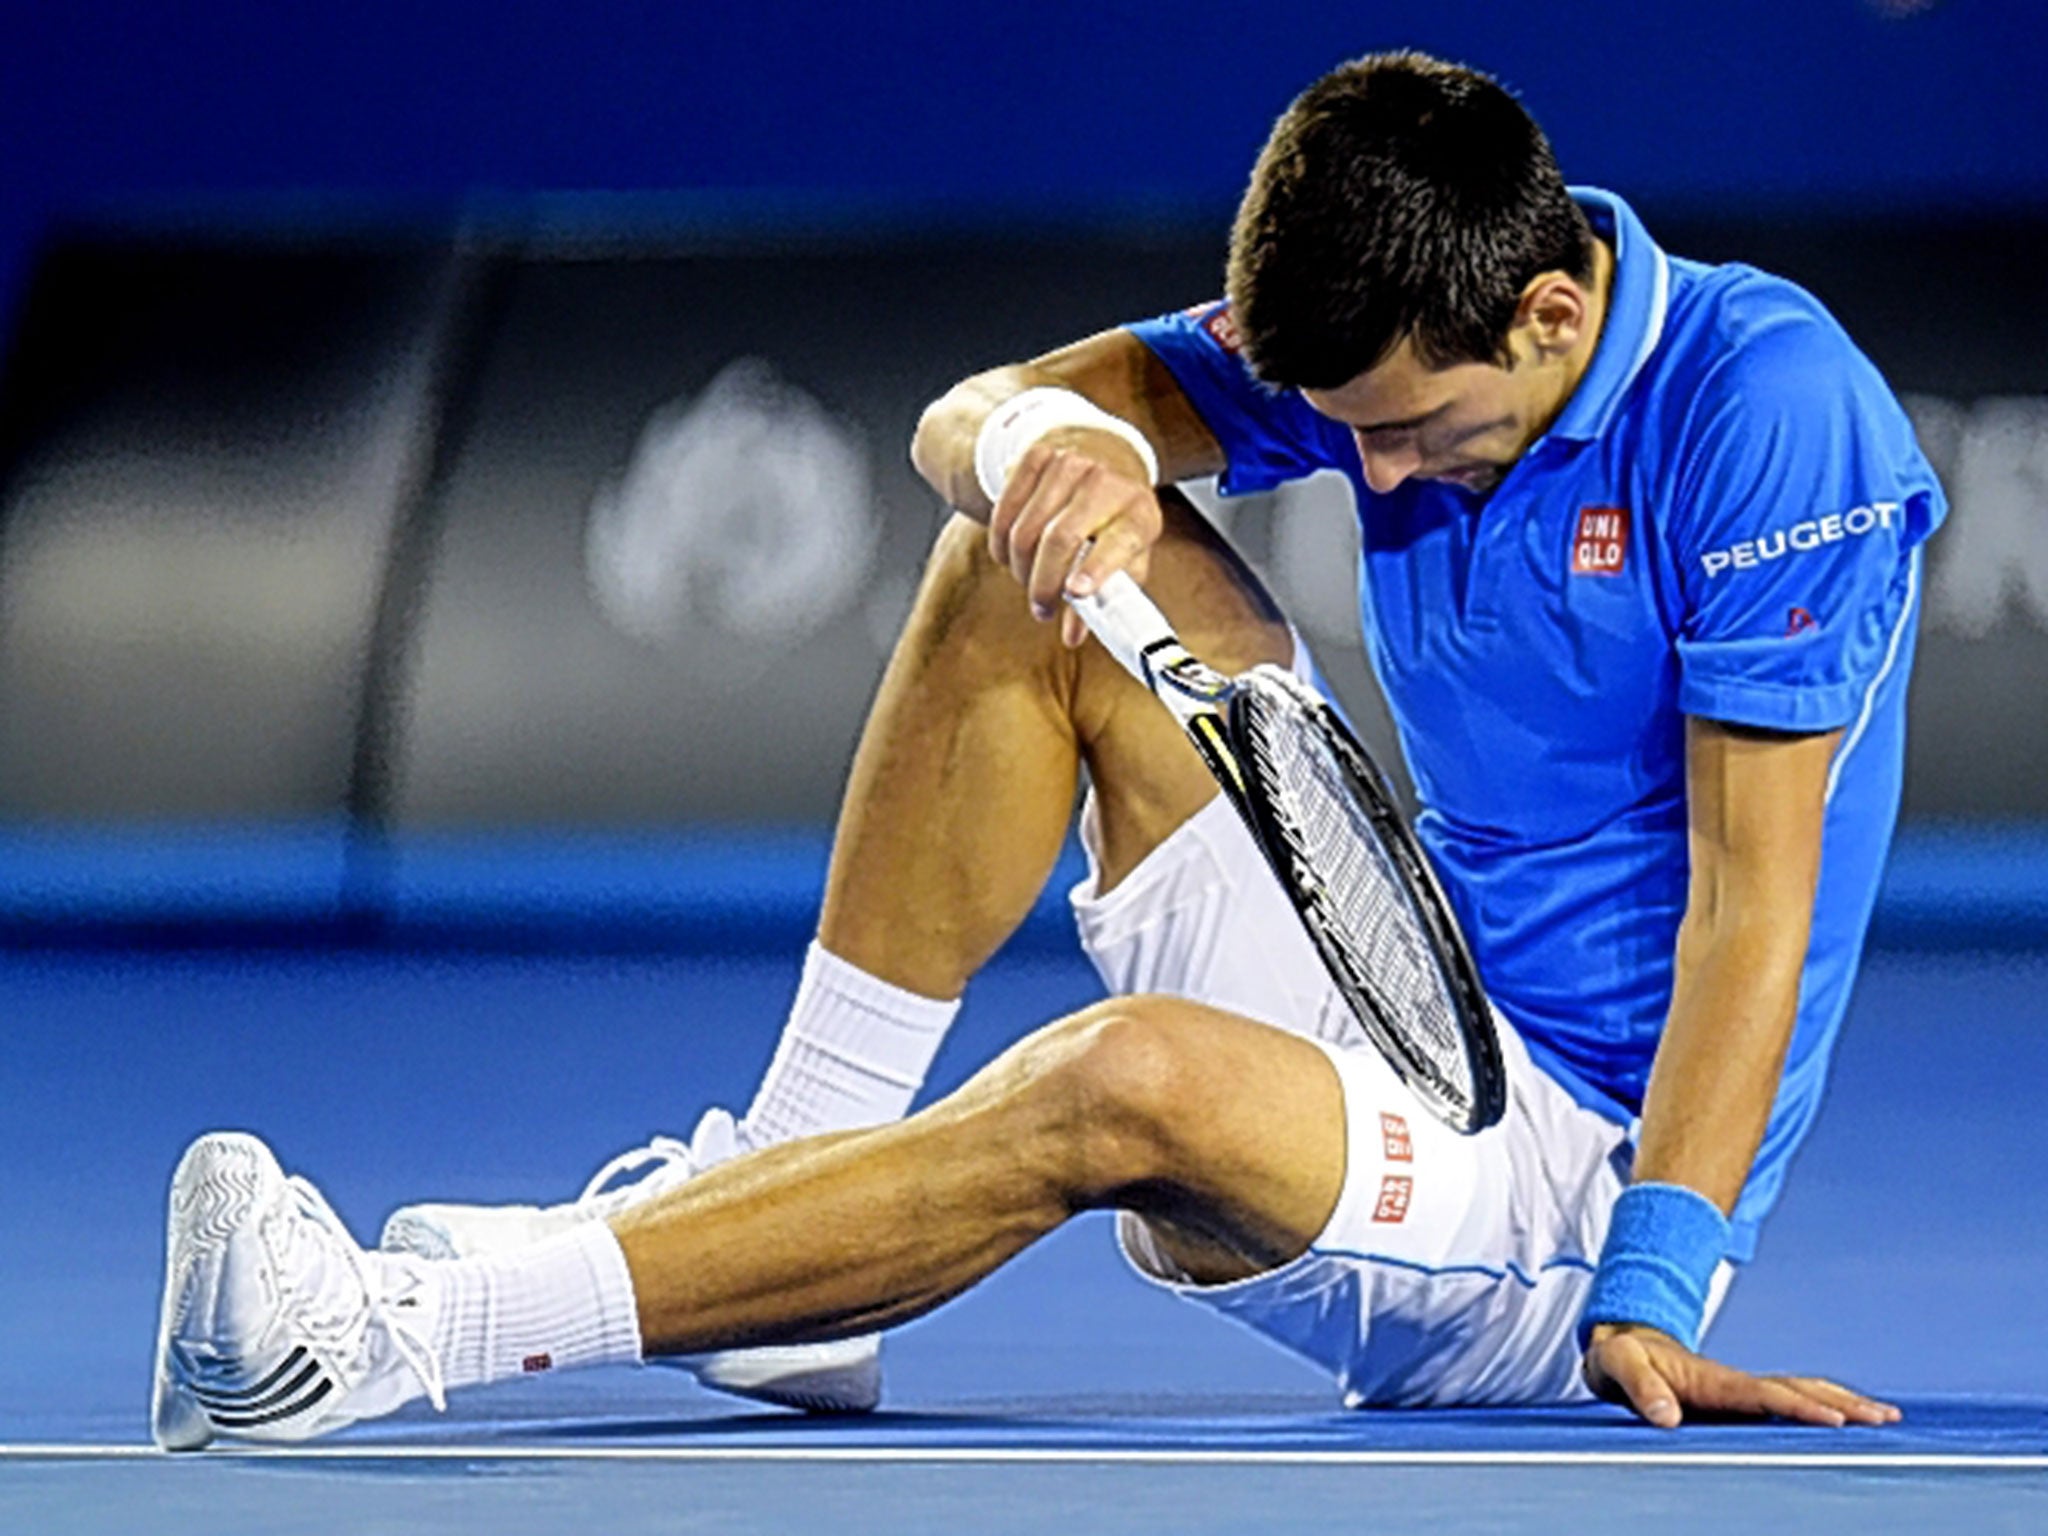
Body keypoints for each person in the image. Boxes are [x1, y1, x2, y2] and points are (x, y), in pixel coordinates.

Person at [153, 50, 1939, 1449]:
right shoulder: (1419, 317)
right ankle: (798, 1214)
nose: (1377, 482)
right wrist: (1040, 459)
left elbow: (1748, 914)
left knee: (1119, 1080)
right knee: (1034, 546)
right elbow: (978, 414)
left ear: (1550, 316)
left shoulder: (1769, 410)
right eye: (1348, 442)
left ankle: (391, 1339)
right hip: (1421, 992)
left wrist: (1653, 1286)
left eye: (1413, 437)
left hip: (1575, 1188)